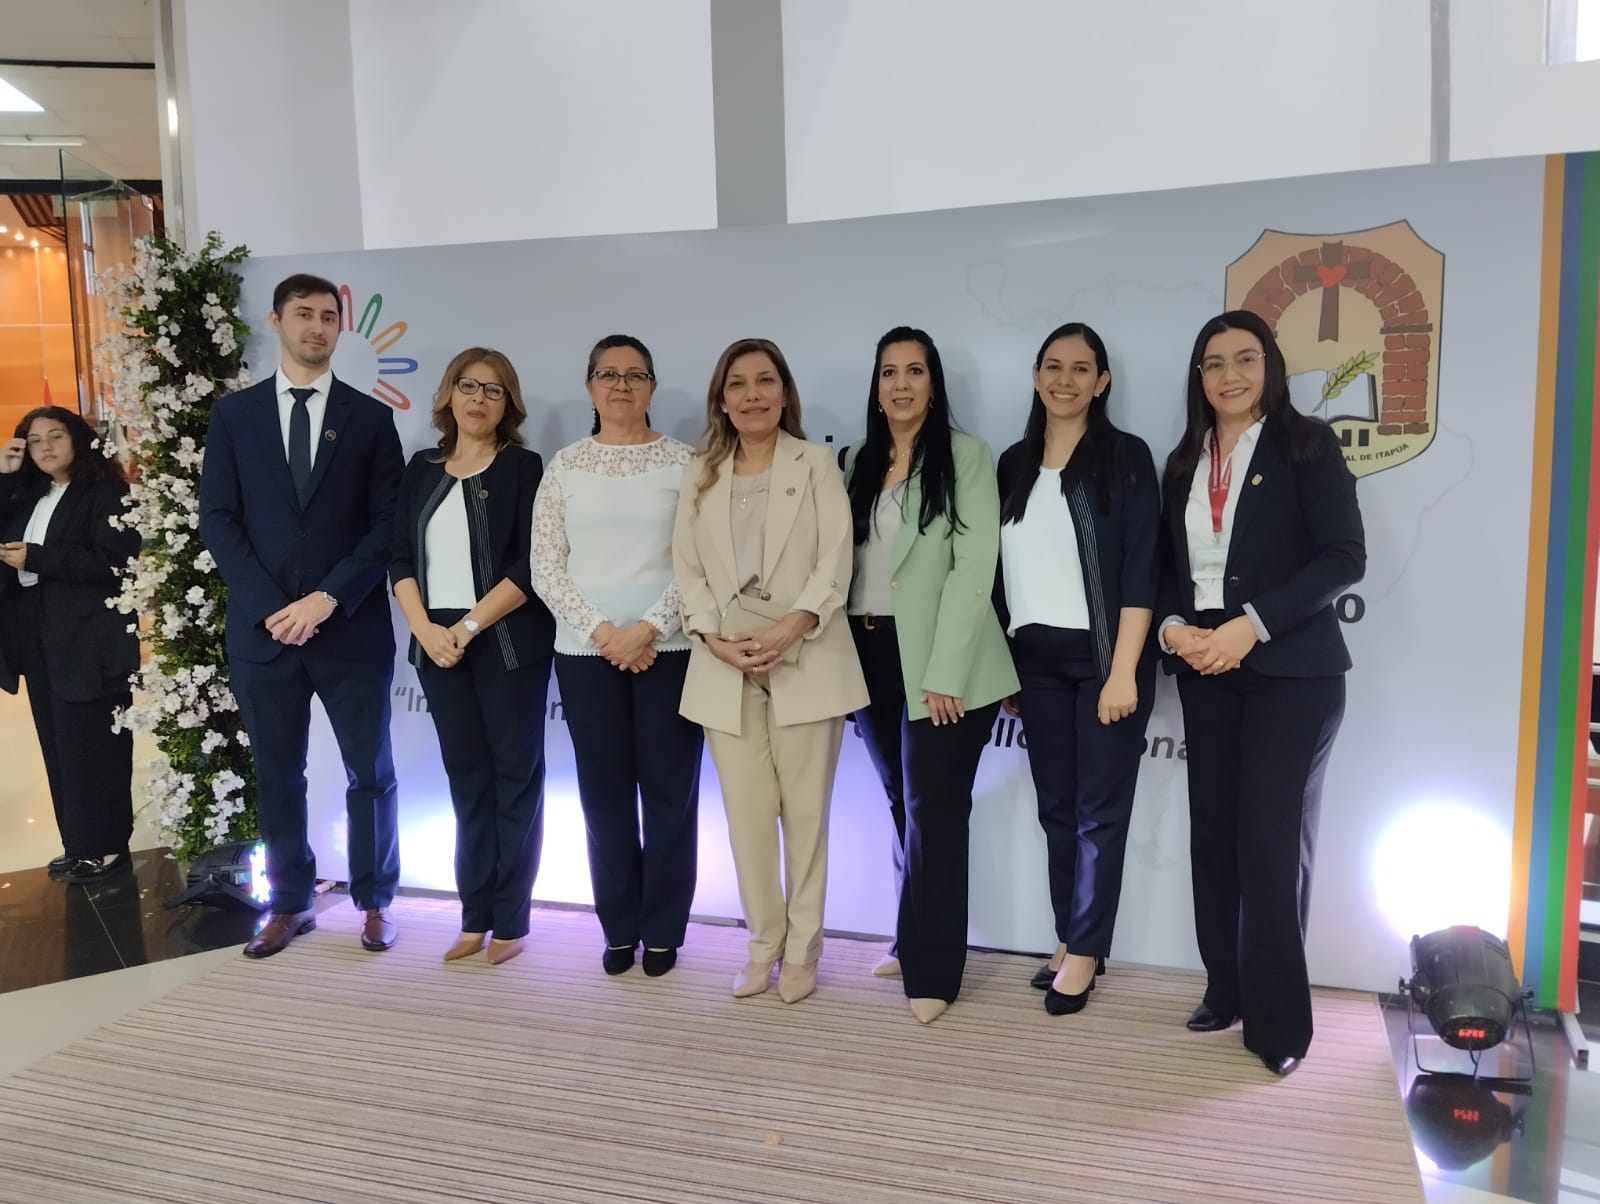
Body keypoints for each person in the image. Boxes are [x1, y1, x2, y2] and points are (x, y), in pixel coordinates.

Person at [1157, 309, 1365, 1077]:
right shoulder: (1184, 461)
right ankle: (1227, 988)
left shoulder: (1306, 444)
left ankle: (1280, 1025)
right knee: (1213, 836)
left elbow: (1344, 556)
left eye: (1245, 359)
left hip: (1292, 672)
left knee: (1269, 844)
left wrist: (1253, 625)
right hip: (1207, 666)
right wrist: (1175, 629)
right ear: (1199, 378)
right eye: (1214, 363)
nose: (1230, 375)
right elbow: (1166, 569)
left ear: (1271, 367)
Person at [198, 273, 404, 959]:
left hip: (350, 630)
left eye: (328, 317)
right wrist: (272, 609)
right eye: (304, 314)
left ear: (340, 327)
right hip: (264, 637)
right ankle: (290, 903)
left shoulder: (370, 419)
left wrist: (326, 599)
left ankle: (375, 900)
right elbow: (218, 520)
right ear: (277, 321)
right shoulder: (235, 416)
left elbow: (387, 525)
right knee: (278, 776)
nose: (317, 327)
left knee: (370, 773)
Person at [673, 338, 867, 1003]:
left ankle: (805, 949)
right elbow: (686, 570)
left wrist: (790, 627)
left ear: (784, 393)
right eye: (738, 384)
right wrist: (713, 637)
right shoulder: (701, 472)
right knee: (748, 820)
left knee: (806, 817)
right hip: (724, 664)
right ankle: (763, 945)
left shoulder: (815, 465)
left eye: (765, 381)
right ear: (721, 400)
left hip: (805, 655)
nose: (752, 394)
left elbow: (836, 559)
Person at [842, 325, 1018, 1024]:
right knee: (900, 803)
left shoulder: (967, 457)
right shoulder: (856, 461)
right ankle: (910, 937)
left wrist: (944, 672)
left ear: (934, 385)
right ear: (876, 385)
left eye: (915, 371)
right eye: (889, 372)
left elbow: (975, 570)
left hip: (947, 662)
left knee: (935, 811)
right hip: (868, 651)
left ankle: (936, 970)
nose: (901, 384)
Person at [995, 323, 1159, 1015]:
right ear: (1037, 376)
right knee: (1057, 810)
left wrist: (1122, 672)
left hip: (1104, 662)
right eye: (1054, 367)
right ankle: (1068, 935)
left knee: (1098, 815)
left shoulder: (1125, 456)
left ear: (1102, 381)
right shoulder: (1012, 463)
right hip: (1034, 662)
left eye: (1081, 368)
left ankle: (1087, 951)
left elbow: (1142, 569)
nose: (1066, 380)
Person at [531, 334, 702, 978]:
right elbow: (546, 566)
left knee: (670, 796)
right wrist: (604, 632)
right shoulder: (565, 466)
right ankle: (619, 927)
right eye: (609, 374)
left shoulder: (686, 463)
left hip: (670, 650)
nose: (622, 385)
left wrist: (648, 628)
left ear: (652, 386)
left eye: (635, 374)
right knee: (603, 796)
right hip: (585, 654)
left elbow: (700, 561)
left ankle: (663, 930)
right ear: (590, 387)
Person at [391, 348, 555, 966]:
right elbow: (399, 558)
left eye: (493, 389)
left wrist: (466, 627)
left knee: (516, 778)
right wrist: (426, 630)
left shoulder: (522, 467)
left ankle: (511, 919)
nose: (478, 399)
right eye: (468, 386)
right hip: (437, 646)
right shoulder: (421, 468)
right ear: (448, 394)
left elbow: (530, 564)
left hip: (506, 641)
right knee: (466, 779)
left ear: (508, 403)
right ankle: (473, 915)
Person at [0, 406, 140, 881]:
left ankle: (107, 846)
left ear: (78, 439)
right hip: (40, 634)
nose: (45, 447)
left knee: (94, 746)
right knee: (59, 746)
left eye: (55, 436)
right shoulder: (30, 495)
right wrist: (4, 474)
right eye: (34, 440)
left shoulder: (106, 492)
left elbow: (115, 560)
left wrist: (38, 558)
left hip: (90, 639)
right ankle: (79, 844)